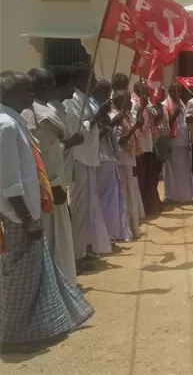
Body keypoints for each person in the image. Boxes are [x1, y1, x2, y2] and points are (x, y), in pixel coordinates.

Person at [0, 71, 94, 351]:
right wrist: (28, 219)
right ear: (8, 94)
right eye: (25, 91)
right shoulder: (5, 125)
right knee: (18, 279)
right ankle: (9, 336)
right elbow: (9, 182)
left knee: (32, 276)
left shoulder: (13, 121)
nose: (31, 96)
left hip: (28, 210)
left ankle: (32, 328)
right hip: (18, 215)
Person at [22, 68, 77, 285]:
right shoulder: (40, 115)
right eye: (52, 84)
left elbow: (56, 148)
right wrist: (54, 184)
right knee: (54, 238)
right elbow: (42, 154)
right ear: (45, 87)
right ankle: (58, 286)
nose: (56, 87)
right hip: (49, 186)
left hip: (51, 183)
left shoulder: (37, 112)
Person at [64, 63, 112, 265]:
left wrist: (103, 117)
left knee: (88, 207)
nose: (91, 81)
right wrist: (98, 115)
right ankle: (75, 255)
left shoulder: (86, 100)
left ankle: (84, 248)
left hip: (91, 157)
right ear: (77, 80)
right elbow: (80, 130)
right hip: (79, 158)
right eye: (88, 78)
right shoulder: (73, 102)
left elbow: (95, 125)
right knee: (79, 207)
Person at [93, 79, 131, 242]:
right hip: (101, 156)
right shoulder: (96, 110)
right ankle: (104, 234)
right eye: (105, 92)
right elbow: (93, 135)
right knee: (104, 198)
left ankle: (111, 232)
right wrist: (112, 124)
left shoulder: (103, 109)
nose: (108, 96)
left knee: (113, 198)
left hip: (110, 156)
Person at [112, 91, 145, 238]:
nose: (131, 103)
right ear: (120, 102)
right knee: (124, 196)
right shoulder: (116, 117)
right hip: (121, 161)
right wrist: (134, 128)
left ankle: (133, 228)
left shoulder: (127, 115)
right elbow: (120, 141)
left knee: (131, 195)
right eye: (128, 101)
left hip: (130, 159)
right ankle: (125, 231)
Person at [162, 82, 193, 204]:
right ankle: (171, 196)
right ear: (169, 92)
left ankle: (183, 196)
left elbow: (185, 121)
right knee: (171, 170)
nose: (177, 93)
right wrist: (173, 116)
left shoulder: (181, 104)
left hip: (183, 143)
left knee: (183, 170)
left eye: (179, 91)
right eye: (175, 91)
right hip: (172, 143)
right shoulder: (165, 105)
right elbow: (164, 125)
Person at [132, 81, 160, 215]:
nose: (146, 92)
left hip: (149, 144)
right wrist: (141, 108)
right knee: (141, 179)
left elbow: (154, 117)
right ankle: (142, 207)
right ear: (137, 89)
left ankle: (148, 205)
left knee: (149, 177)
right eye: (144, 89)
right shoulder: (133, 102)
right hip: (140, 147)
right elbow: (134, 120)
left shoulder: (146, 102)